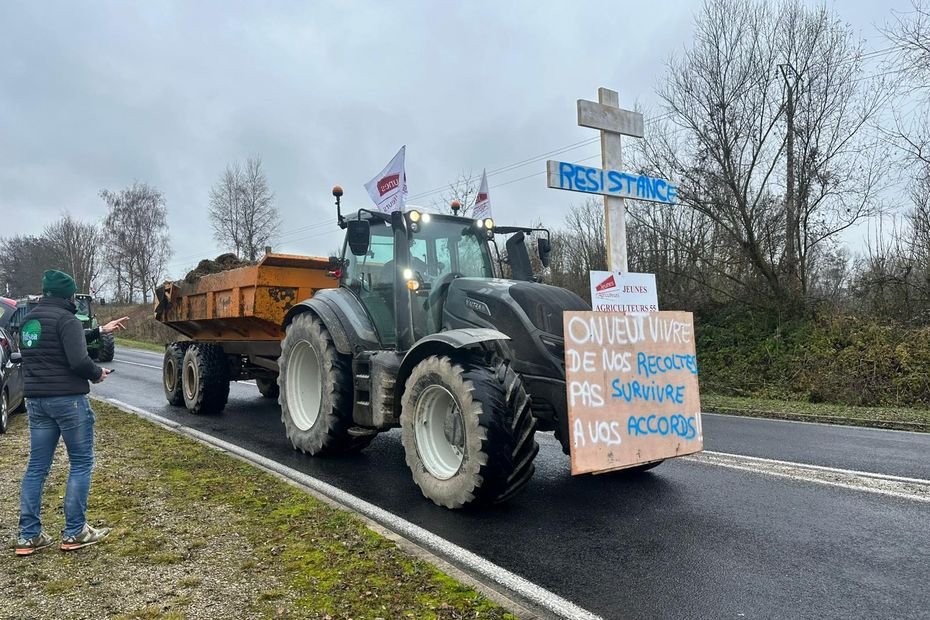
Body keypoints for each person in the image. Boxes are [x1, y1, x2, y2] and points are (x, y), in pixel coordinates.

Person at [14, 270, 129, 556]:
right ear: (68, 295)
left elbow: (54, 343)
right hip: (68, 401)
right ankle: (75, 531)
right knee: (81, 463)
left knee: (37, 467)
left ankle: (28, 536)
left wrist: (100, 331)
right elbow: (78, 360)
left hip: (37, 402)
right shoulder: (68, 319)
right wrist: (97, 374)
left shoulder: (29, 321)